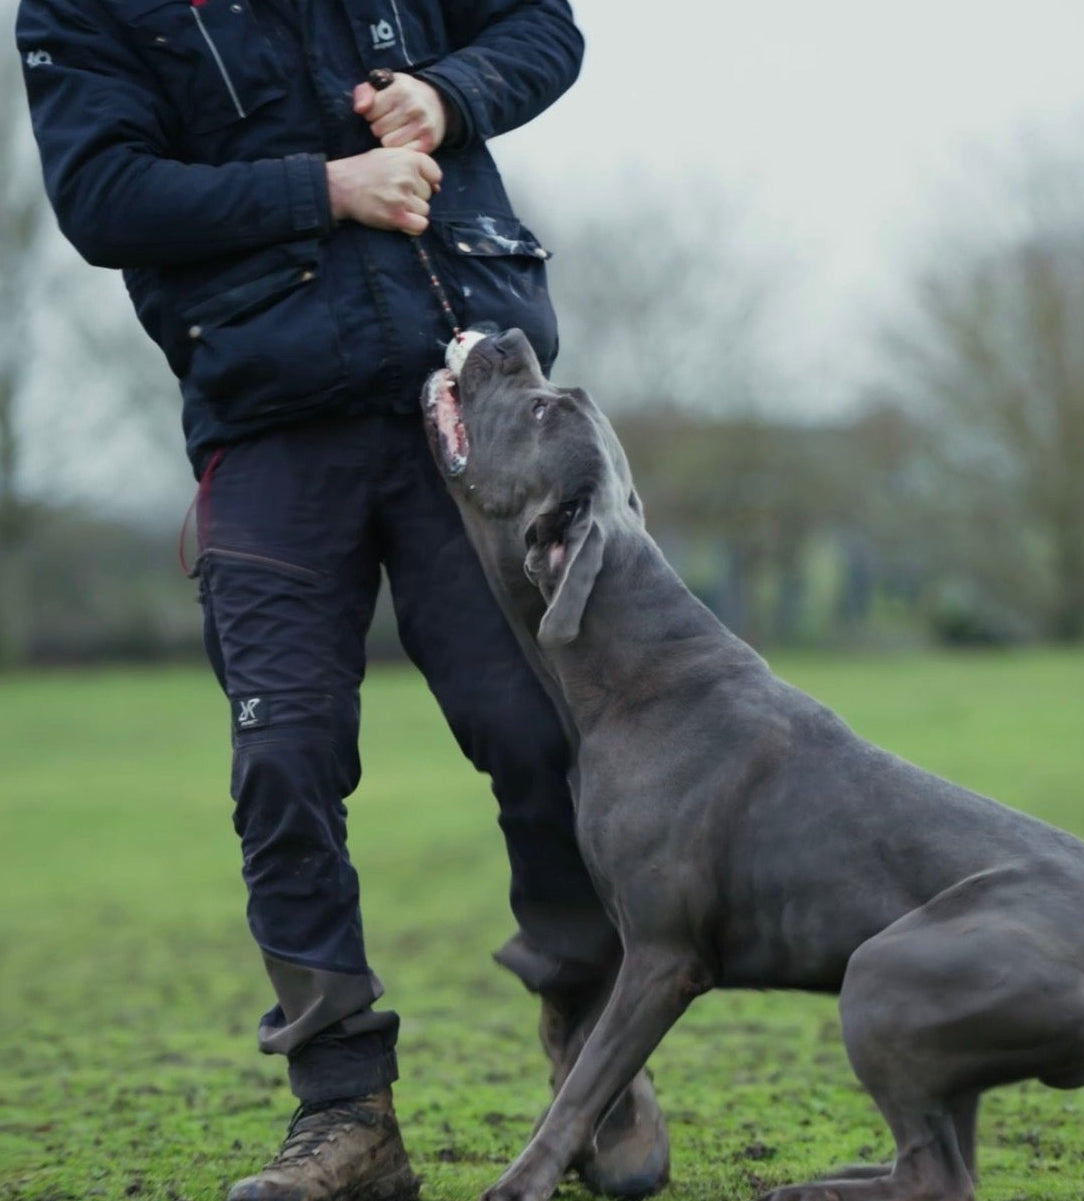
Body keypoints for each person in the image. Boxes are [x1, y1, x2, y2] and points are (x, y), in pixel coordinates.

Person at [15, 3, 669, 1198]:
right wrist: (323, 188)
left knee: (535, 728)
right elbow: (104, 195)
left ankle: (592, 1041)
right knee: (284, 758)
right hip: (264, 426)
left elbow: (542, 27)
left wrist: (451, 95)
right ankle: (344, 1111)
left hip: (465, 404)